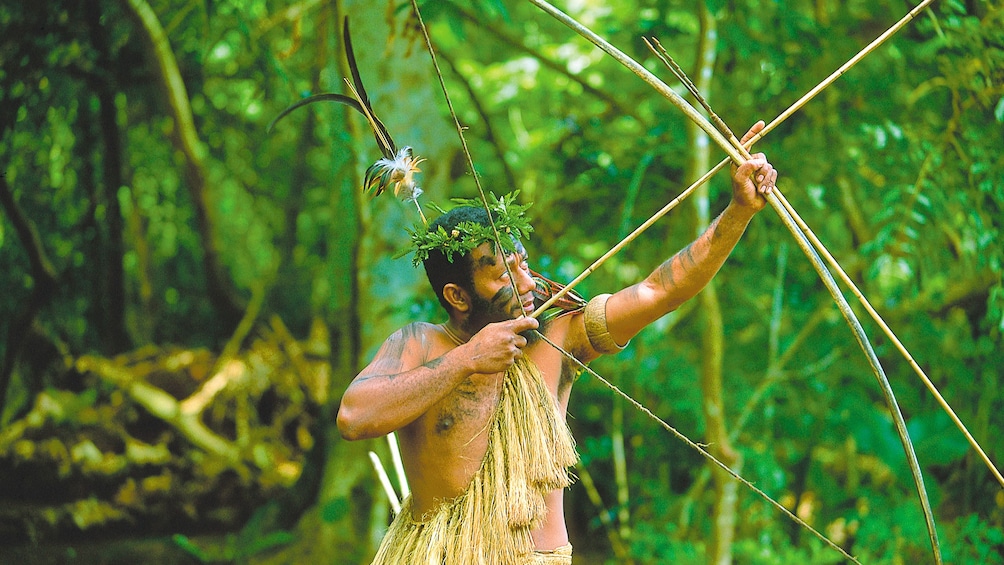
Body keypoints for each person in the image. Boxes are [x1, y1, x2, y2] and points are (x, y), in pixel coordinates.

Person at [337, 121, 778, 564]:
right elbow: (355, 416)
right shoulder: (420, 343)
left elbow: (660, 290)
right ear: (457, 296)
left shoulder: (559, 332)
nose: (528, 282)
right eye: (505, 274)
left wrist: (739, 210)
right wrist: (468, 359)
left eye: (524, 264)